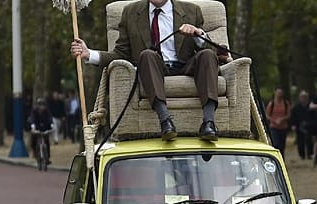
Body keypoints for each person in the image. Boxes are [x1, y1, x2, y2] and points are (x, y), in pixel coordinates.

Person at [70, 0, 221, 141]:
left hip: (187, 66)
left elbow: (213, 52)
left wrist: (198, 35)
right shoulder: (130, 13)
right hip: (153, 68)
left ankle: (209, 123)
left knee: (207, 55)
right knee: (147, 54)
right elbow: (121, 55)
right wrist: (89, 54)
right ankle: (165, 121)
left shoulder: (192, 11)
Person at [266, 88, 291, 155]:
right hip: (274, 127)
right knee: (276, 144)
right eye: (278, 93)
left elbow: (288, 115)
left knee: (282, 146)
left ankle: (281, 158)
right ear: (275, 94)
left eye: (280, 93)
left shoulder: (286, 103)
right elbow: (267, 115)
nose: (279, 95)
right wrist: (274, 120)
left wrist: (282, 119)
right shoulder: (271, 104)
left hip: (283, 127)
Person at [290, 90, 314, 160]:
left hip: (309, 125)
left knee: (309, 140)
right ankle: (302, 155)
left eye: (305, 97)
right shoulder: (296, 107)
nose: (303, 98)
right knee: (300, 141)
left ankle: (310, 154)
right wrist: (293, 125)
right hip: (299, 126)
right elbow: (293, 117)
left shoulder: (311, 106)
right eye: (302, 97)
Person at [28, 97, 54, 163]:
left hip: (45, 128)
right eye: (40, 105)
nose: (42, 107)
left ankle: (47, 157)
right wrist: (33, 126)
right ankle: (35, 152)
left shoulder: (47, 111)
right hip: (37, 128)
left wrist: (51, 124)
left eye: (43, 105)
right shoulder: (34, 111)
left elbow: (50, 118)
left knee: (46, 142)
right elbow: (32, 118)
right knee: (34, 140)